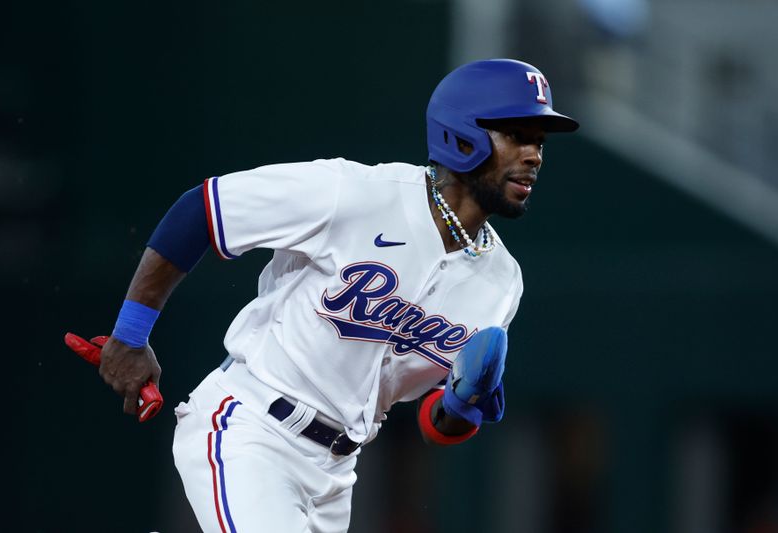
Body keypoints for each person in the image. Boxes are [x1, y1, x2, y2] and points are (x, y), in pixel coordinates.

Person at [94, 58, 578, 532]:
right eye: (516, 136)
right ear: (462, 133)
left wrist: (461, 401)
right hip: (253, 429)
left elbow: (436, 424)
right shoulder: (355, 193)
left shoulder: (501, 282)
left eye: (538, 142)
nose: (534, 155)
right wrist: (131, 335)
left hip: (336, 476)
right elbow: (203, 209)